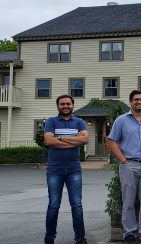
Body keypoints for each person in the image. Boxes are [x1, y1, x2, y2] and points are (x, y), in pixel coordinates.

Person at [108, 90, 141, 244]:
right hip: (128, 166)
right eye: (136, 100)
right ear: (130, 102)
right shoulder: (121, 120)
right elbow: (112, 141)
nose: (139, 102)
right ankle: (129, 234)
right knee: (128, 201)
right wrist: (123, 160)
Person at [43, 95, 89, 244]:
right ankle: (49, 239)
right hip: (54, 170)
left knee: (77, 204)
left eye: (68, 103)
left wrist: (61, 138)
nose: (65, 106)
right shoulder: (51, 121)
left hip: (74, 170)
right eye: (62, 104)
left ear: (72, 105)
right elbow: (49, 140)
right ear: (58, 106)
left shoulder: (79, 122)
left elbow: (84, 140)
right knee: (53, 204)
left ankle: (80, 239)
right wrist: (73, 141)